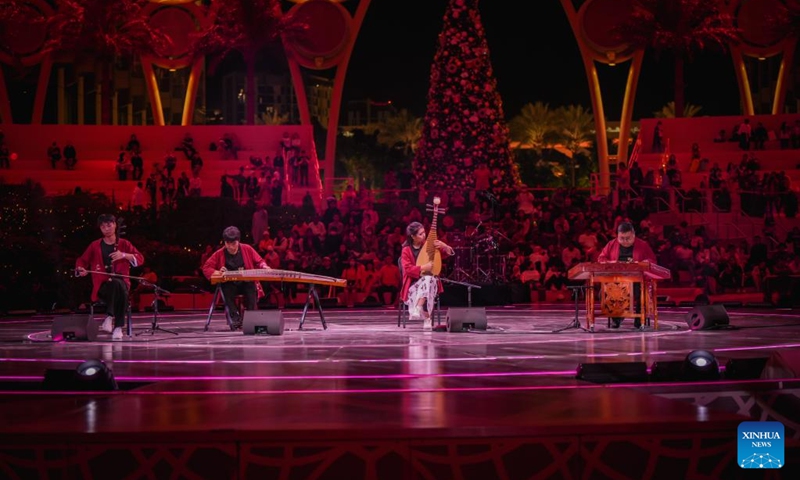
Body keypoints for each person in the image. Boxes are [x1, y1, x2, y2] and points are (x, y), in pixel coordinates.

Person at [75, 214, 145, 340]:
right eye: (103, 226)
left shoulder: (124, 244)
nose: (106, 228)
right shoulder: (95, 245)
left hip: (122, 284)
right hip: (103, 287)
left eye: (109, 225)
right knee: (117, 287)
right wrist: (81, 269)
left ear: (115, 225)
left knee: (118, 284)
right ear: (100, 229)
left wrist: (124, 255)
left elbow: (140, 259)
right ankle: (118, 327)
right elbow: (82, 260)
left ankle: (109, 317)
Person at [202, 226, 270, 330]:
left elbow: (260, 261)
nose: (230, 247)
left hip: (246, 282)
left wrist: (264, 267)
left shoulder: (247, 249)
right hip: (230, 284)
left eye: (233, 243)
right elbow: (206, 267)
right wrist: (218, 272)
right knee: (226, 290)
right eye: (227, 243)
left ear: (238, 241)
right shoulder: (220, 253)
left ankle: (251, 320)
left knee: (251, 287)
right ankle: (236, 320)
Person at [597, 221, 656, 329]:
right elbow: (601, 258)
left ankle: (639, 319)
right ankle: (616, 318)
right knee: (603, 293)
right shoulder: (611, 244)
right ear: (617, 235)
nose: (624, 241)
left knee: (642, 292)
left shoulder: (643, 245)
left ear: (633, 235)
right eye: (621, 238)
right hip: (615, 281)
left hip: (637, 281)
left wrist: (642, 263)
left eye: (628, 238)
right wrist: (611, 263)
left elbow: (652, 261)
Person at [399, 221, 454, 329]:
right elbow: (407, 269)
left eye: (424, 232)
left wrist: (444, 246)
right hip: (413, 284)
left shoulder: (428, 245)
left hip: (431, 282)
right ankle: (427, 318)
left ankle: (418, 307)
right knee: (428, 281)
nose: (424, 235)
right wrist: (424, 267)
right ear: (413, 236)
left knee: (429, 279)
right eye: (420, 234)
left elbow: (444, 255)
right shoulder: (406, 250)